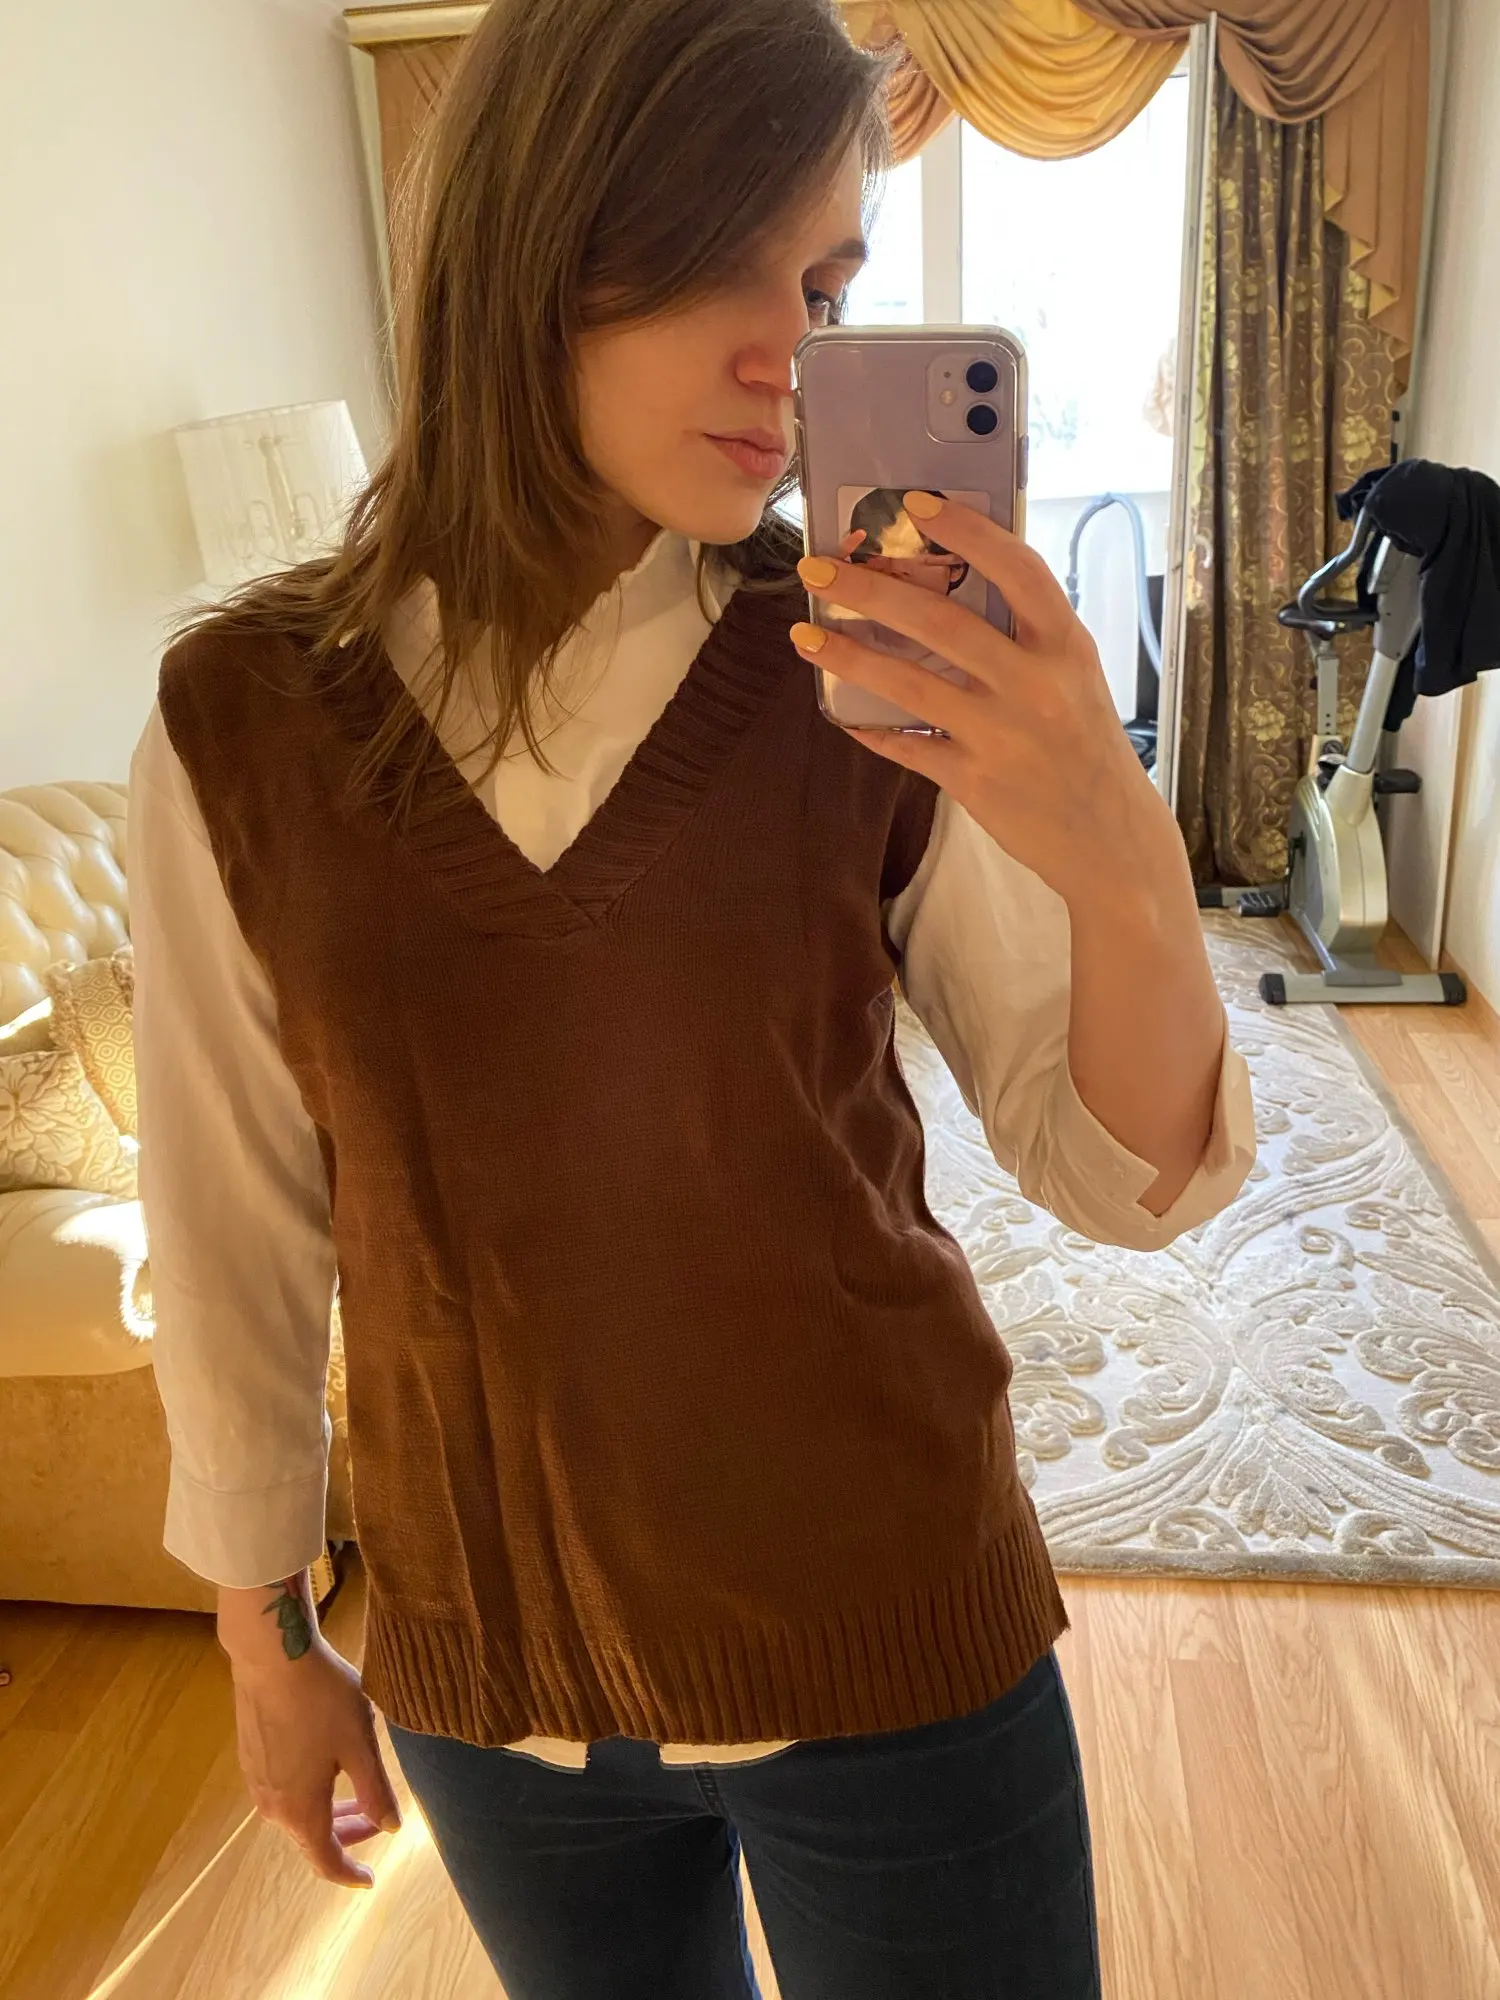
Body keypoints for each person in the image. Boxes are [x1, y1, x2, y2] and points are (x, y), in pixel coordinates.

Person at [128, 2, 1256, 1995]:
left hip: (894, 1643)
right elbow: (233, 1227)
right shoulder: (246, 720)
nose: (787, 357)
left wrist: (1121, 851)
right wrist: (262, 1634)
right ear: (536, 234)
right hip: (493, 1689)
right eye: (723, 259)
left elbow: (1127, 1174)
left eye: (822, 288)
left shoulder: (861, 670)